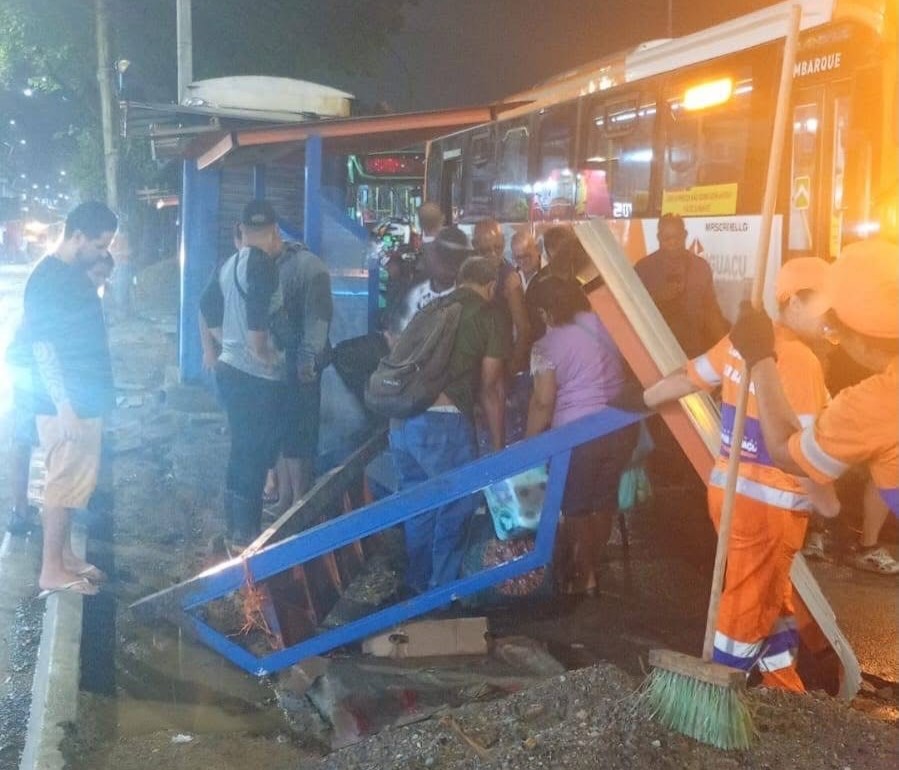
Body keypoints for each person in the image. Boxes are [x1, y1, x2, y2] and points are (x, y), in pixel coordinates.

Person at [643, 257, 840, 691]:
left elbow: (689, 376)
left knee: (770, 596)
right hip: (772, 509)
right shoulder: (798, 361)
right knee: (744, 610)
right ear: (794, 303)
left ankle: (783, 686)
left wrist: (647, 394)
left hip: (731, 497)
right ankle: (717, 693)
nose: (833, 317)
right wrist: (827, 502)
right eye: (827, 306)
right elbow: (798, 450)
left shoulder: (741, 342)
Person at [729, 239, 898, 520]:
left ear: (865, 342)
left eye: (835, 331)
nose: (833, 339)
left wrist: (760, 357)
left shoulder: (872, 403)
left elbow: (787, 454)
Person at [390, 256, 508, 592]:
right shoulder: (488, 314)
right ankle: (443, 591)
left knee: (419, 505)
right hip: (442, 422)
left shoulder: (433, 307)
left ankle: (417, 586)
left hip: (401, 420)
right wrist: (498, 449)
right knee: (459, 503)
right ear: (491, 286)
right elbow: (490, 388)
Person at [24, 201, 118, 596]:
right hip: (66, 403)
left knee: (73, 481)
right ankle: (51, 570)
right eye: (100, 244)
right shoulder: (48, 279)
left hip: (83, 399)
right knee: (62, 483)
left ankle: (64, 558)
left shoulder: (72, 275)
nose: (104, 252)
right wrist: (64, 406)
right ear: (77, 236)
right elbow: (44, 346)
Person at [525, 277, 638, 594]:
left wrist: (528, 444)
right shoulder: (605, 323)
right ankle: (591, 566)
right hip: (620, 426)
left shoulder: (546, 346)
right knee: (603, 502)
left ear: (547, 311)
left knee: (576, 506)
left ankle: (583, 572)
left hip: (578, 436)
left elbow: (543, 401)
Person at [199, 200, 285, 548]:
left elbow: (205, 306)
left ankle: (235, 526)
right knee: (255, 451)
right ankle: (246, 536)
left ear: (242, 229)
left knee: (241, 448)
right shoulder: (263, 264)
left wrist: (221, 344)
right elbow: (257, 325)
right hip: (256, 378)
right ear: (275, 231)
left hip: (230, 370)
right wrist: (264, 355)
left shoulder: (229, 263)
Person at [268, 235, 333, 514]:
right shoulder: (278, 265)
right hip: (282, 364)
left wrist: (307, 360)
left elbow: (318, 318)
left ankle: (298, 503)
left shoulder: (308, 267)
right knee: (286, 434)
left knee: (298, 436)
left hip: (298, 364)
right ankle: (287, 500)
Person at [635, 214, 729, 358]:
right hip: (659, 353)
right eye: (667, 239)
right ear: (659, 237)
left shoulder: (700, 267)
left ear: (685, 235)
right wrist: (658, 298)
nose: (672, 243)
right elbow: (634, 314)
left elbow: (711, 310)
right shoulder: (643, 269)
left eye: (677, 237)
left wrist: (725, 347)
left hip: (695, 349)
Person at [472, 219, 530, 374]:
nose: (493, 254)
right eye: (485, 250)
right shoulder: (468, 271)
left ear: (504, 242)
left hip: (499, 363)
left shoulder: (508, 277)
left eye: (498, 248)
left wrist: (511, 370)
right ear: (474, 246)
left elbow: (523, 329)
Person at [395, 227, 470, 333]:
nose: (447, 263)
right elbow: (402, 331)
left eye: (454, 257)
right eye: (442, 254)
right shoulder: (416, 294)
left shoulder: (466, 300)